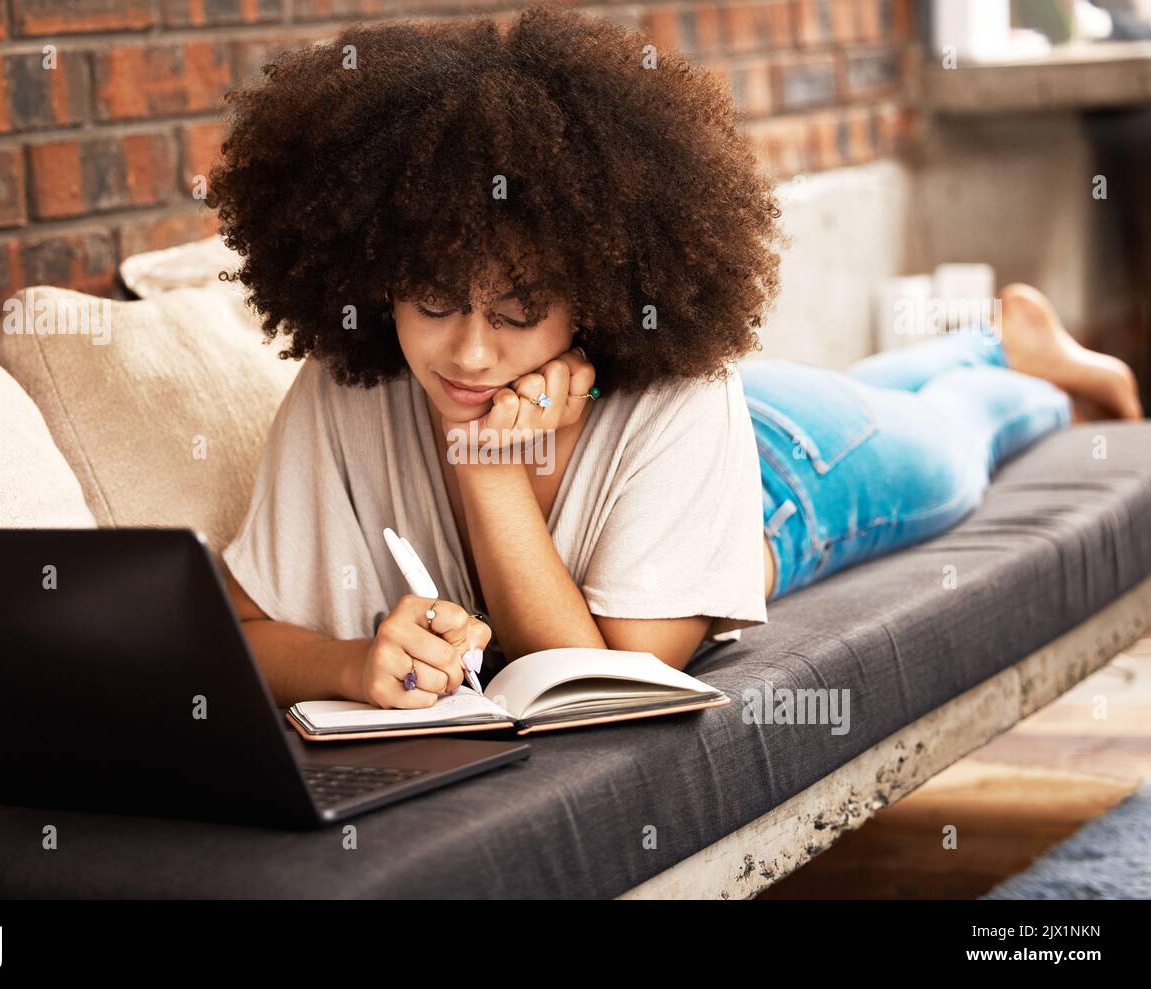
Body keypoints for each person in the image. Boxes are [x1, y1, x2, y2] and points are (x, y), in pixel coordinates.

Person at [205, 6, 1143, 710]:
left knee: (957, 438)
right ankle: (990, 338)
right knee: (879, 390)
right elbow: (238, 626)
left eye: (521, 311)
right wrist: (344, 665)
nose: (472, 353)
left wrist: (487, 472)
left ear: (596, 290)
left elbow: (610, 680)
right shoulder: (348, 385)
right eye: (435, 302)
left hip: (789, 475)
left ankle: (1034, 366)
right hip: (741, 436)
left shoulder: (684, 385)